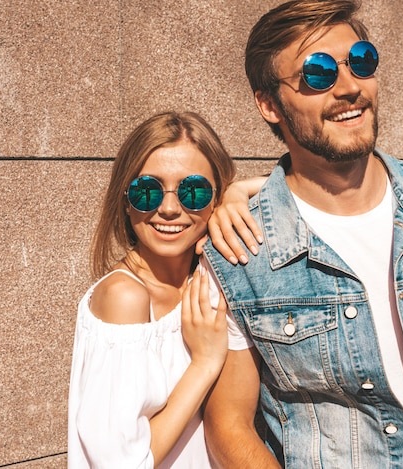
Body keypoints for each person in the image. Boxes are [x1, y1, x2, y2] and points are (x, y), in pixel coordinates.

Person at [200, 1, 403, 468]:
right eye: (317, 73)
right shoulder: (242, 250)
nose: (350, 87)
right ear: (269, 104)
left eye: (361, 60)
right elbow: (229, 424)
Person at [68, 111, 236, 468]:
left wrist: (238, 195)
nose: (170, 208)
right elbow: (123, 463)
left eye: (194, 191)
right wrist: (204, 364)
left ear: (216, 199)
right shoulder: (124, 297)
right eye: (148, 191)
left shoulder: (206, 279)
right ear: (126, 201)